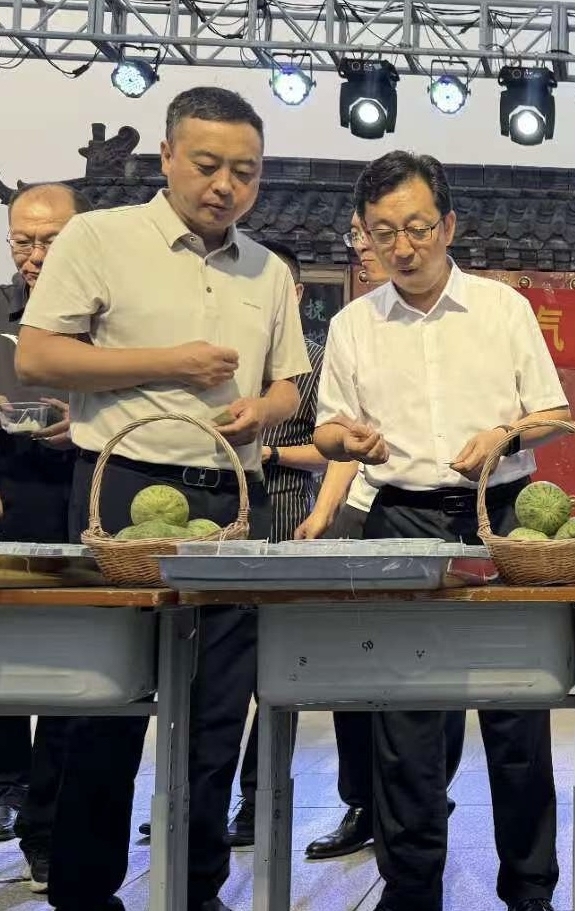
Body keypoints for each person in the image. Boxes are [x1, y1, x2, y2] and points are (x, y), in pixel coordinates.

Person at [15, 86, 310, 911]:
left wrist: (264, 409)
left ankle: (195, 885)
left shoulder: (268, 268)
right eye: (209, 164)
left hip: (234, 501)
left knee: (217, 710)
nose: (226, 185)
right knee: (108, 701)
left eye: (246, 171)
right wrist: (168, 362)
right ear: (169, 156)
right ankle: (85, 889)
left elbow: (289, 382)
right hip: (124, 489)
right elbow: (38, 356)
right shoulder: (100, 238)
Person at [313, 151, 570, 911]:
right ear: (365, 234)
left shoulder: (502, 309)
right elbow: (326, 429)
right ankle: (411, 885)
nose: (403, 246)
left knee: (516, 712)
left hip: (501, 517)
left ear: (448, 225)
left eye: (418, 227)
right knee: (404, 717)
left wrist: (504, 434)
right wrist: (347, 442)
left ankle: (530, 887)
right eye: (383, 231)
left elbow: (554, 413)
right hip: (400, 519)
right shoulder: (353, 324)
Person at [223, 239, 330, 846]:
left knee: (278, 674)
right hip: (224, 523)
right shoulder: (225, 354)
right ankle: (196, 800)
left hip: (288, 520)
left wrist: (270, 453)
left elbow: (330, 448)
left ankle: (258, 800)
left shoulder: (313, 362)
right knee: (216, 671)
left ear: (296, 294)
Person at [289, 211, 385, 863]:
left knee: (427, 668)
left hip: (425, 515)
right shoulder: (353, 326)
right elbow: (342, 443)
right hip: (360, 513)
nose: (368, 249)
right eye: (362, 235)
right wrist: (325, 513)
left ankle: (420, 793)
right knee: (355, 666)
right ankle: (362, 801)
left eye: (381, 234)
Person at [0, 181, 88, 894]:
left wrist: (85, 420)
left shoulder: (105, 321)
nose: (33, 255)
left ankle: (50, 830)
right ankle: (9, 788)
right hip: (8, 506)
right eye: (22, 241)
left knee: (73, 681)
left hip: (81, 506)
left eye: (50, 241)